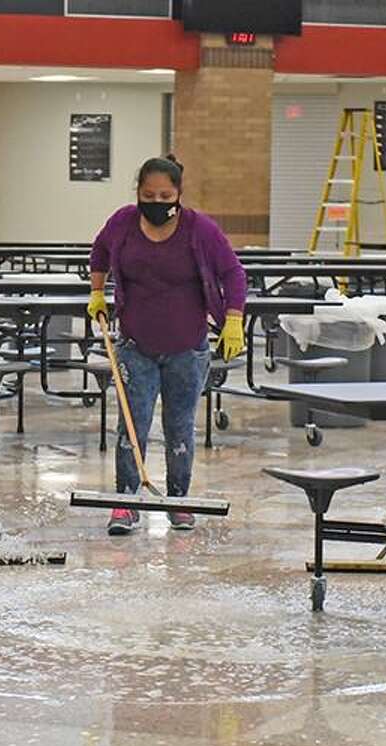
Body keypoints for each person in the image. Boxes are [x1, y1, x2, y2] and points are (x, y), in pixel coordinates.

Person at [86, 155, 248, 535]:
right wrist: (97, 293)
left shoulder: (199, 229)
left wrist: (235, 317)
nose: (157, 201)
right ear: (137, 193)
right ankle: (125, 503)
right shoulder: (123, 222)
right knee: (131, 425)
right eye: (148, 194)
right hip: (135, 345)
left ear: (179, 194)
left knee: (179, 427)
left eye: (165, 195)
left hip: (187, 350)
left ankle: (178, 501)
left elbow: (233, 272)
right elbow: (99, 252)